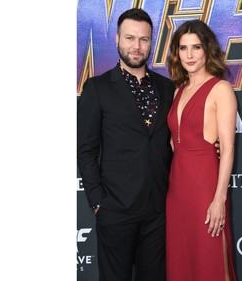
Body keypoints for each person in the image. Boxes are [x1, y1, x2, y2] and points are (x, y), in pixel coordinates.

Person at [77, 8, 176, 281]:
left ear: (151, 42)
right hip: (115, 209)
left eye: (144, 39)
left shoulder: (167, 88)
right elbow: (85, 150)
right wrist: (98, 202)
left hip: (158, 209)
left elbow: (175, 138)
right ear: (118, 39)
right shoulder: (97, 88)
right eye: (130, 38)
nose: (136, 46)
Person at [166, 19, 238, 281]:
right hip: (177, 190)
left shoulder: (221, 89)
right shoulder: (178, 91)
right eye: (183, 48)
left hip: (205, 188)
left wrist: (219, 199)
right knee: (182, 261)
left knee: (211, 261)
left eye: (196, 47)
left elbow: (228, 150)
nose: (189, 55)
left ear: (207, 49)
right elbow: (176, 143)